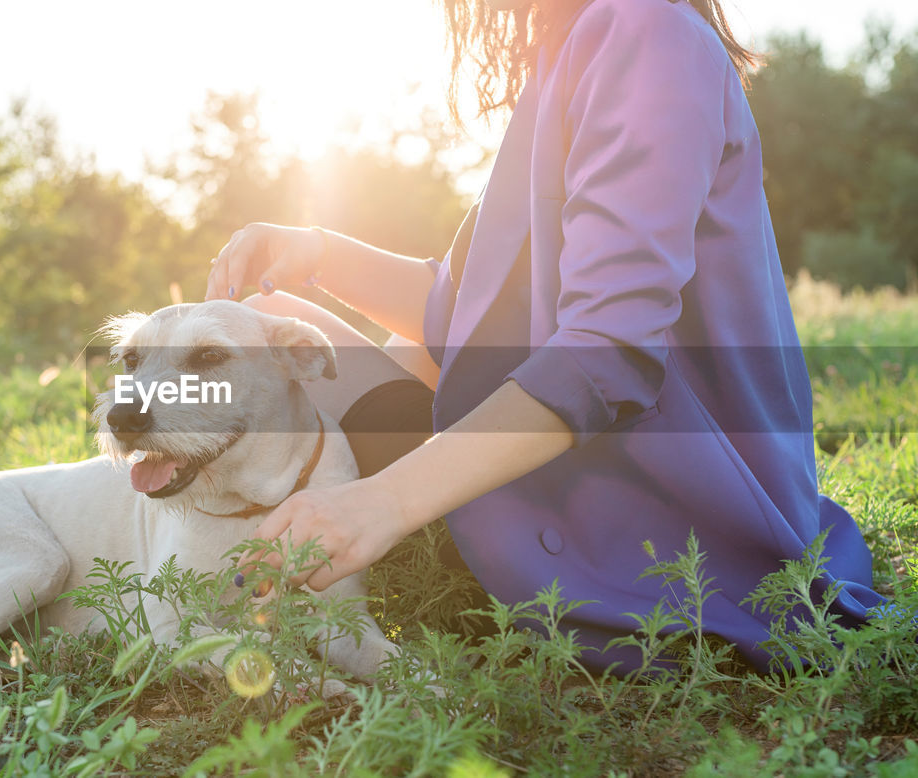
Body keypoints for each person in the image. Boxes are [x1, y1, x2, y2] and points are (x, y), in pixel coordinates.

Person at [204, 0, 885, 671]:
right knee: (279, 328)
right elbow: (459, 319)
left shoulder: (647, 35)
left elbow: (606, 353)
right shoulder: (570, 50)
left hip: (640, 518)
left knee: (260, 359)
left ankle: (183, 563)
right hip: (584, 470)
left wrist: (379, 503)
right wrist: (318, 253)